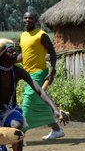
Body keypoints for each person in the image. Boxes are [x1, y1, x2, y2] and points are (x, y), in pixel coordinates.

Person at [0, 39, 66, 151]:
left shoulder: (17, 72)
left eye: (15, 50)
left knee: (16, 127)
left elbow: (39, 90)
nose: (15, 54)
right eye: (10, 51)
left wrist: (54, 108)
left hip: (9, 110)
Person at [17, 11, 65, 140]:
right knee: (39, 104)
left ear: (35, 20)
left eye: (30, 18)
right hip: (27, 73)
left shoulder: (41, 35)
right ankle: (57, 130)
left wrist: (52, 71)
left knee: (27, 102)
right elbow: (23, 55)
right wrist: (10, 60)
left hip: (39, 73)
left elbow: (53, 53)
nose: (27, 20)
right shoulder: (23, 36)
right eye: (25, 17)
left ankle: (20, 133)